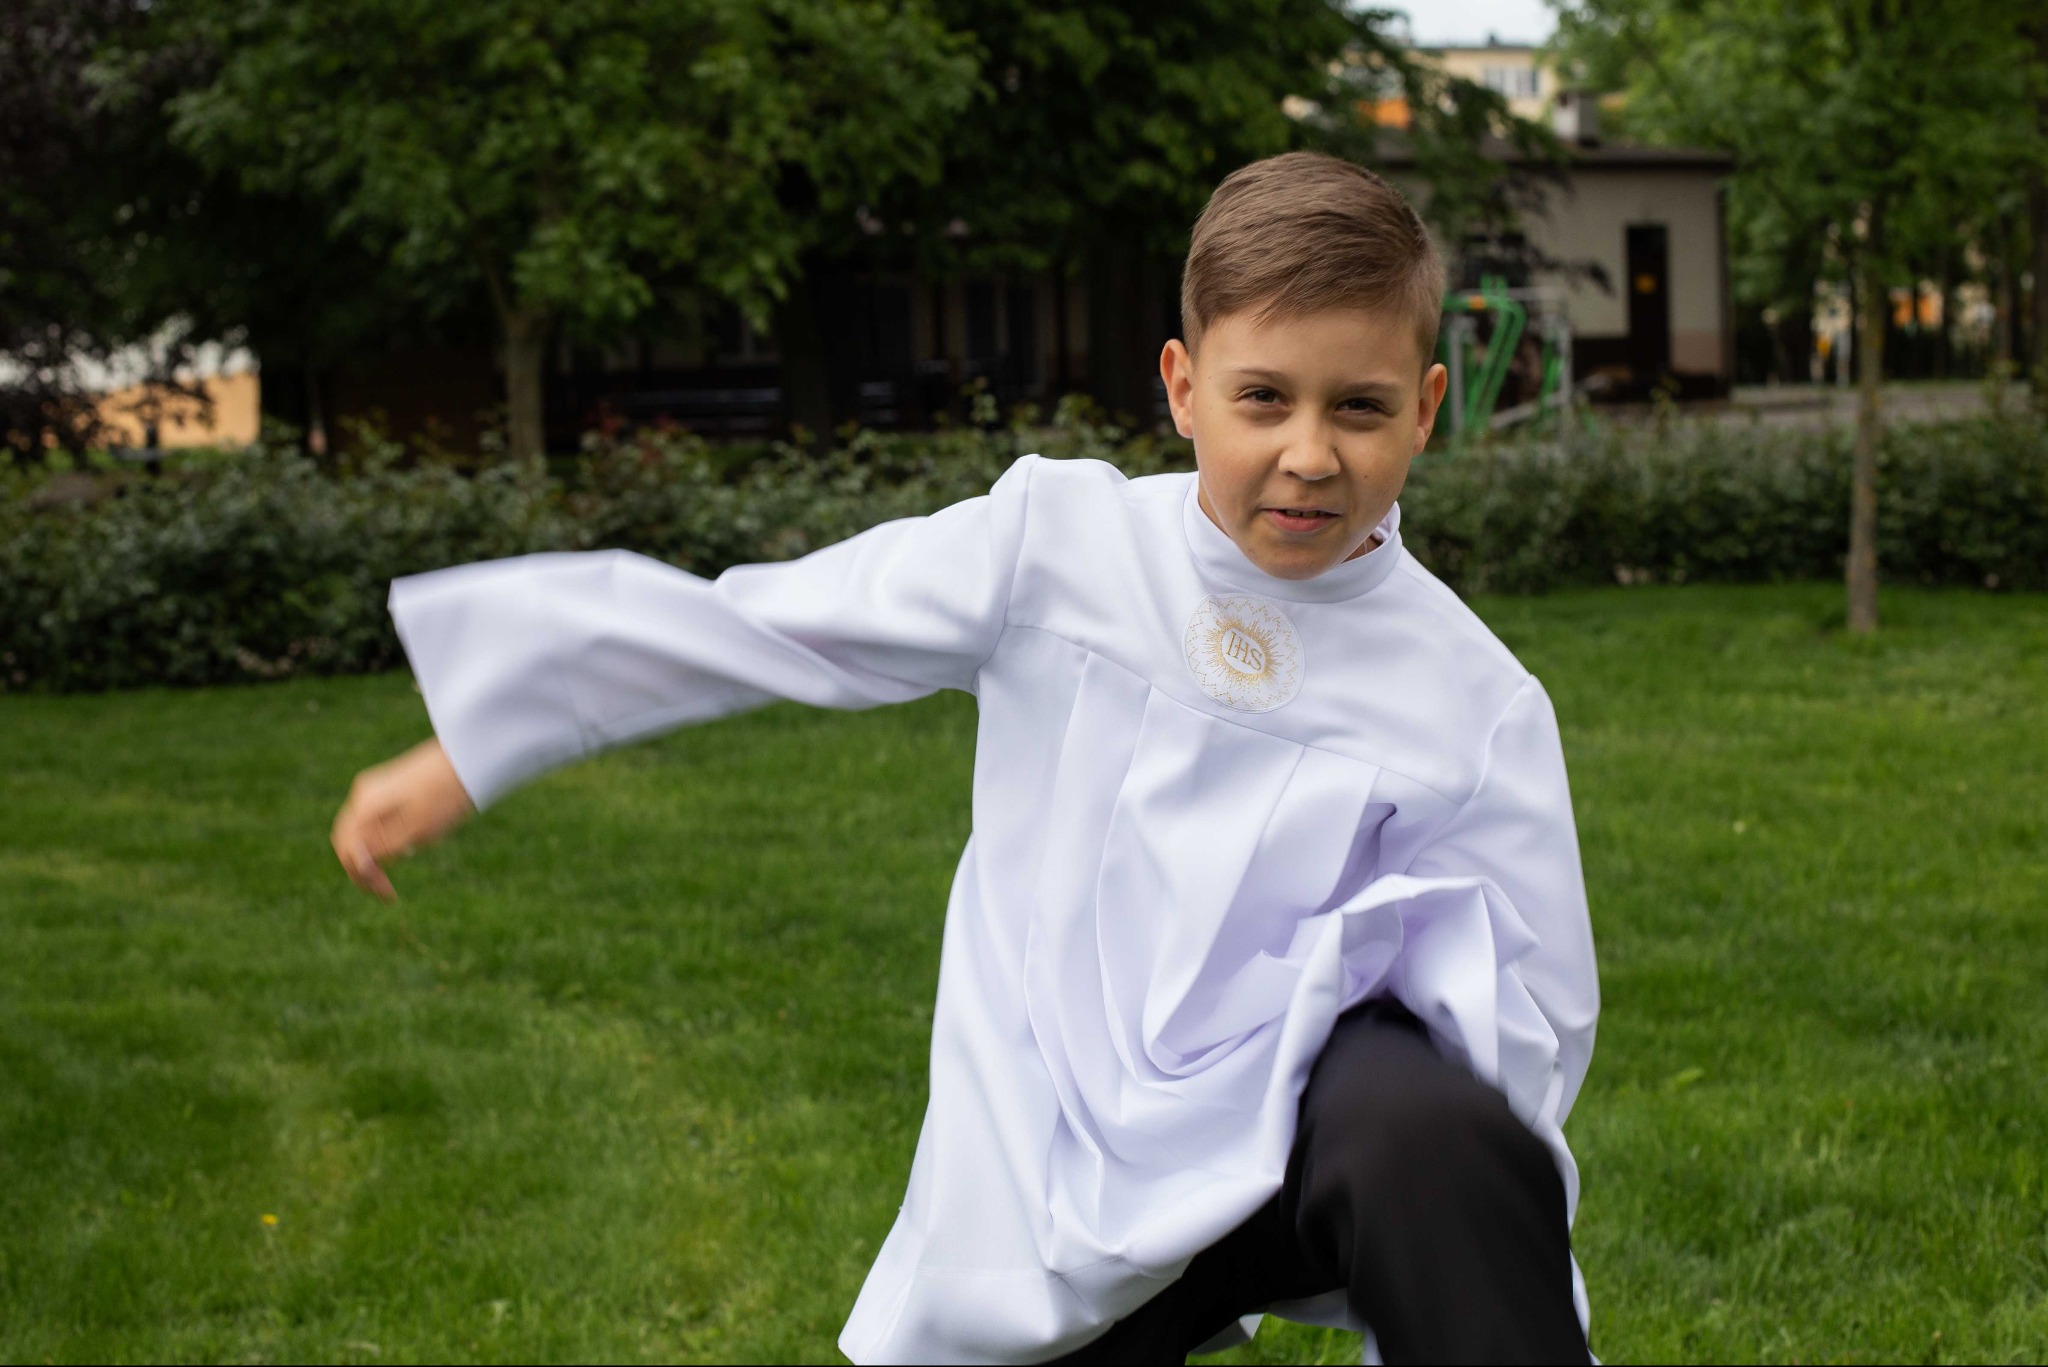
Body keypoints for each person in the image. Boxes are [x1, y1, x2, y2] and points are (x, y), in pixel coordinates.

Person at [332, 152, 1599, 1365]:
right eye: (1262, 396)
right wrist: (477, 743)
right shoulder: (1059, 543)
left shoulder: (1471, 698)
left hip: (1293, 1130)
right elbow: (770, 621)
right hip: (1052, 1158)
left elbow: (1525, 1024)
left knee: (1426, 1121)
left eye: (1360, 407)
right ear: (1180, 385)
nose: (1308, 453)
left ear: (1425, 408)